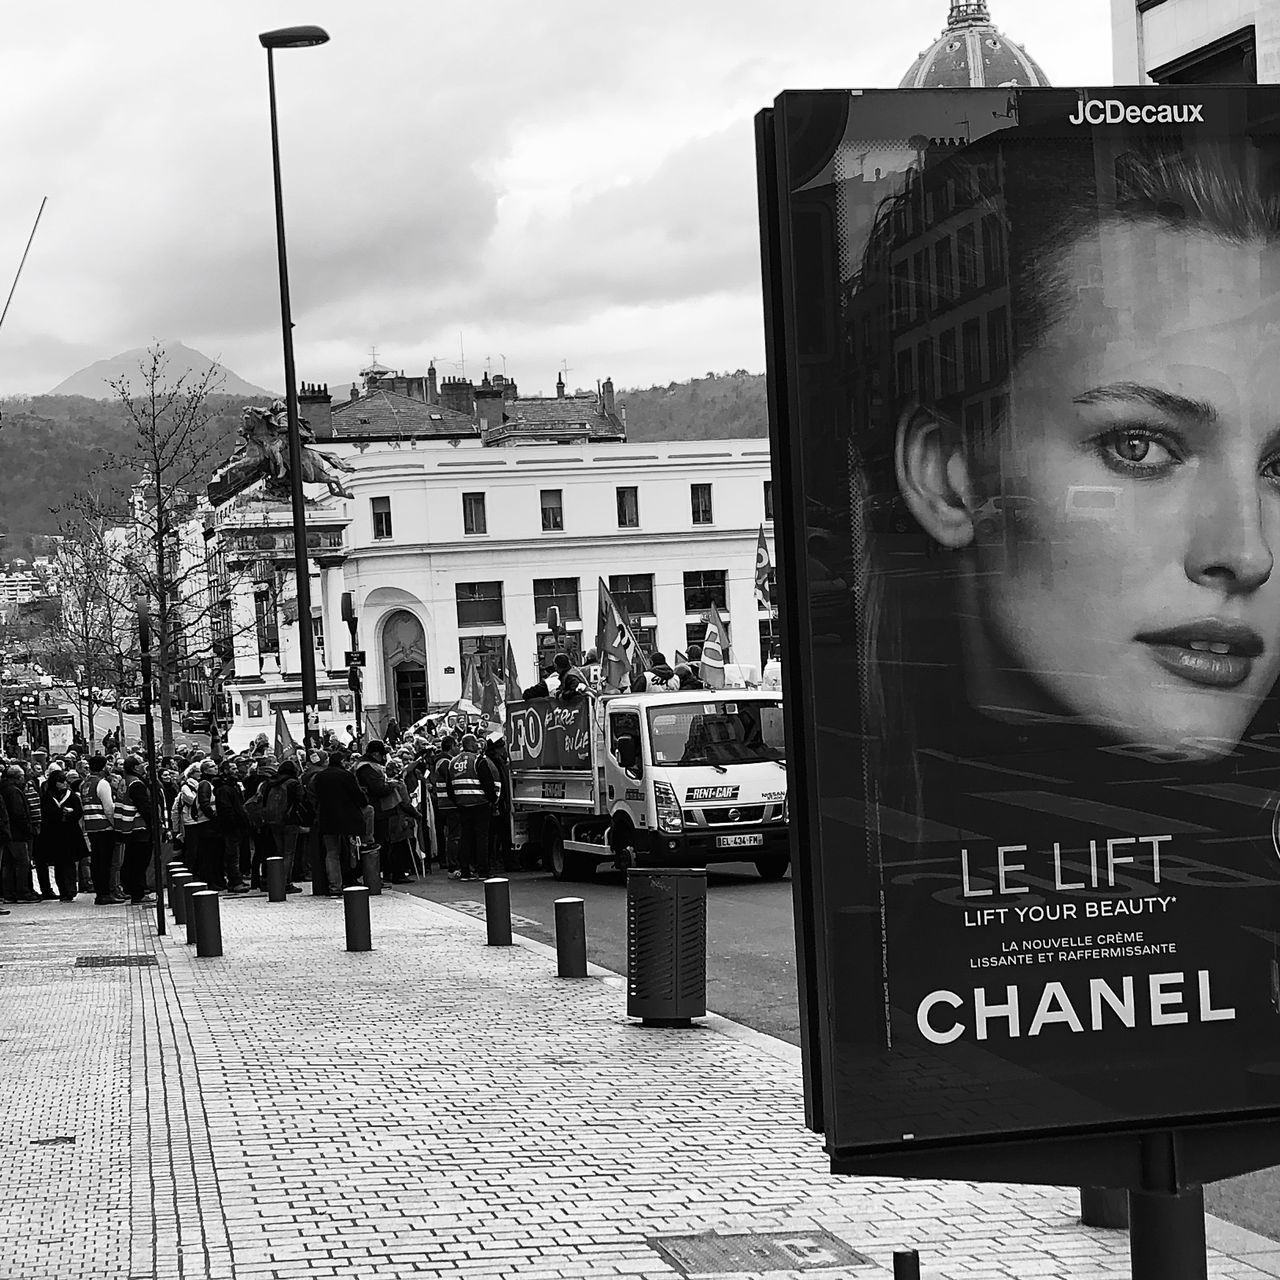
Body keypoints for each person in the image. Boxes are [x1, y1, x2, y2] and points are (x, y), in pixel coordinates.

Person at [311, 748, 369, 895]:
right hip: (348, 820)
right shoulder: (346, 776)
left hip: (327, 819)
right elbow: (358, 796)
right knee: (351, 851)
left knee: (331, 853)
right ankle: (351, 880)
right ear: (342, 762)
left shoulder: (319, 777)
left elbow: (313, 796)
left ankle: (334, 886)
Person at [445, 733, 500, 881]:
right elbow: (488, 783)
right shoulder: (478, 760)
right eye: (476, 743)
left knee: (465, 838)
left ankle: (465, 872)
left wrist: (458, 801)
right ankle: (483, 871)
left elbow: (449, 788)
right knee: (482, 838)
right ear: (472, 744)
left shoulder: (453, 762)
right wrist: (493, 800)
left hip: (462, 805)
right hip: (480, 804)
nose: (478, 745)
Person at [80, 754, 123, 906]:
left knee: (97, 861)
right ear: (103, 767)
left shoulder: (85, 784)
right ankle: (105, 893)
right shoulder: (102, 784)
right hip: (104, 827)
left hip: (91, 827)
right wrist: (115, 825)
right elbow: (109, 808)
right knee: (105, 862)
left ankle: (100, 892)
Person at [38, 767, 84, 902]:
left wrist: (69, 813)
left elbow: (78, 812)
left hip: (70, 833)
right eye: (60, 781)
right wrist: (61, 813)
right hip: (55, 835)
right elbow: (46, 813)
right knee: (59, 864)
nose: (64, 783)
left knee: (70, 863)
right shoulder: (48, 796)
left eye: (65, 781)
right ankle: (63, 890)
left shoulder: (71, 795)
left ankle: (70, 890)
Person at [119, 755, 156, 905]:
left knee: (132, 861)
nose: (143, 766)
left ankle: (134, 889)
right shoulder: (137, 784)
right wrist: (153, 823)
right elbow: (144, 807)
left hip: (130, 829)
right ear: (135, 768)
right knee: (139, 862)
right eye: (141, 764)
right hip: (139, 828)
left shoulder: (125, 781)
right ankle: (138, 893)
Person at [431, 736, 461, 873]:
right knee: (453, 835)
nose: (459, 748)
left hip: (445, 802)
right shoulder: (445, 762)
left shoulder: (442, 760)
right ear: (451, 746)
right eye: (457, 745)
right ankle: (453, 863)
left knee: (450, 834)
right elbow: (451, 778)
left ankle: (450, 861)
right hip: (448, 802)